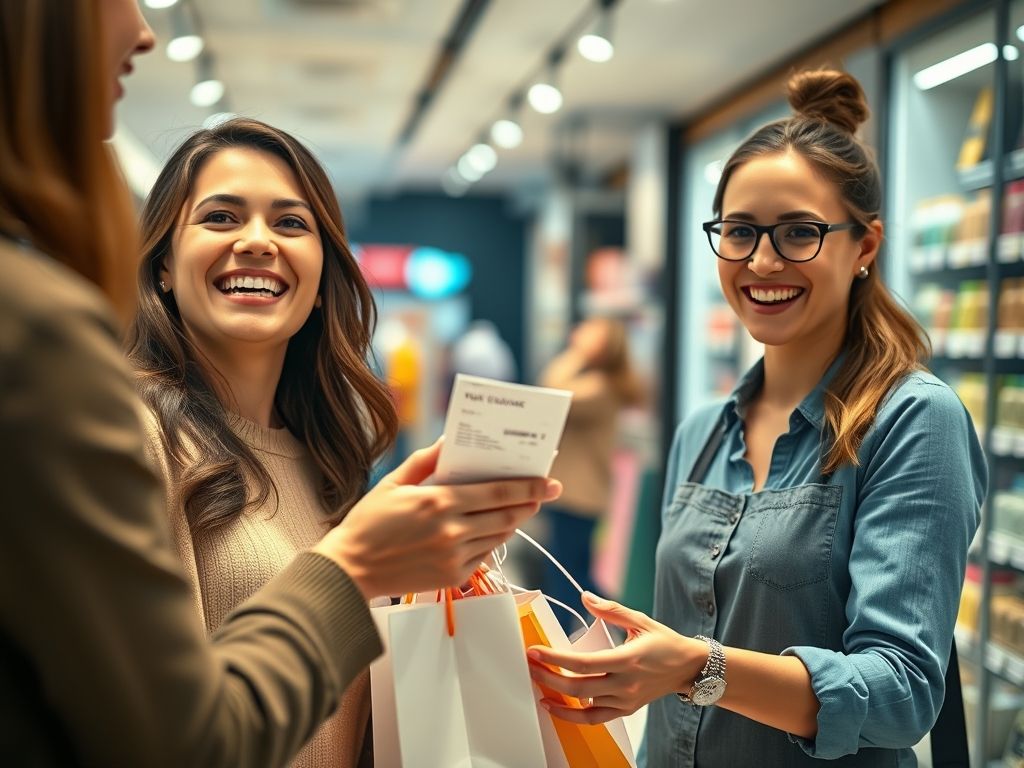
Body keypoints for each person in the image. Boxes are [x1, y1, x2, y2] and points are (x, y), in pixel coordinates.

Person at [0, 2, 558, 766]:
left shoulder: (332, 459)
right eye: (222, 217)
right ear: (164, 264)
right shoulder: (133, 427)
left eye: (291, 224)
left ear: (325, 275)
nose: (257, 242)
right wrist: (360, 563)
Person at [527, 70, 987, 767]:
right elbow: (675, 635)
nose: (762, 260)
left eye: (799, 232)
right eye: (739, 232)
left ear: (865, 247)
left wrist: (695, 671)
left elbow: (902, 691)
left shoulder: (914, 421)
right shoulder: (702, 430)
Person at [537, 316, 644, 628]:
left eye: (589, 334)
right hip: (580, 495)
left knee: (565, 576)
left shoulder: (599, 387)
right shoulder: (600, 384)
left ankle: (562, 634)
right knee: (576, 574)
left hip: (577, 496)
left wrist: (576, 353)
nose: (578, 334)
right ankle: (622, 626)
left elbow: (552, 391)